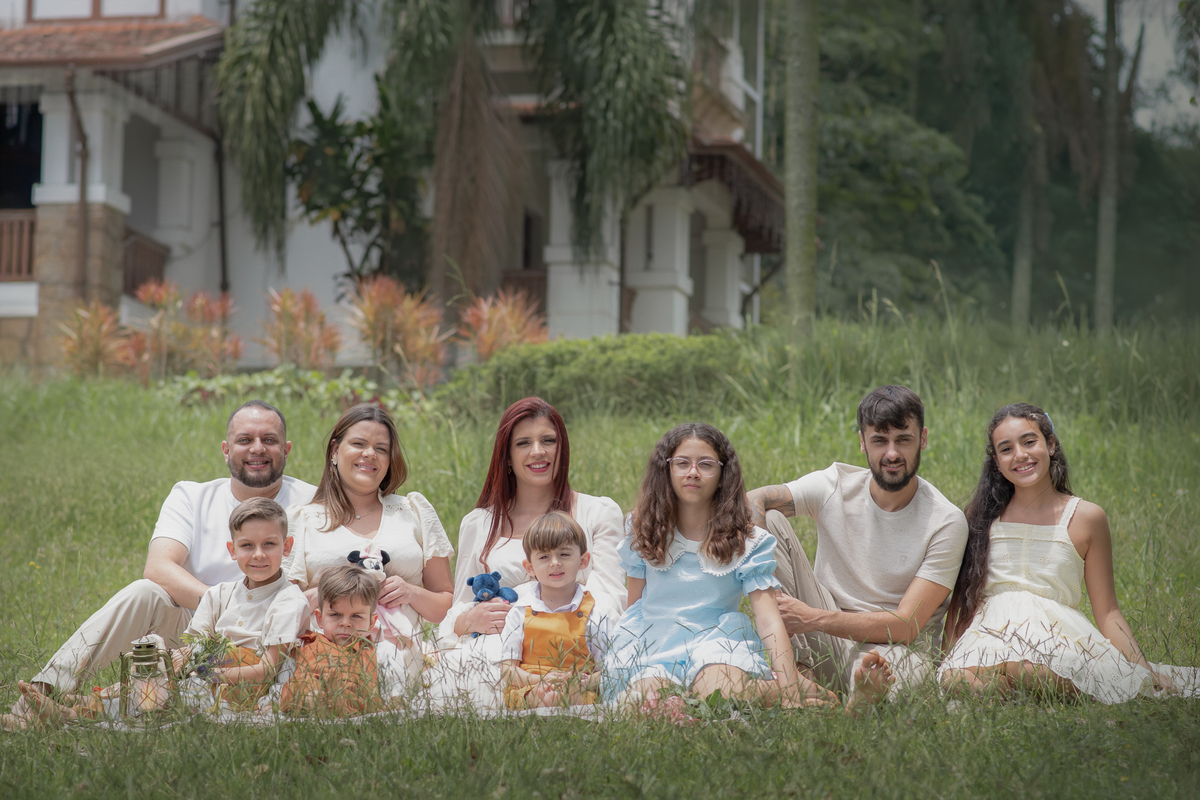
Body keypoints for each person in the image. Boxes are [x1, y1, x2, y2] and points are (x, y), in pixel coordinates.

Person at [10, 400, 316, 713]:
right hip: (197, 629)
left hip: (273, 638)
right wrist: (228, 612)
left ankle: (89, 707)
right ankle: (39, 697)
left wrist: (261, 611)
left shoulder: (312, 501)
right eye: (244, 440)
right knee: (144, 592)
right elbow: (159, 568)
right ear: (226, 449)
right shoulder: (192, 496)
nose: (257, 449)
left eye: (269, 440)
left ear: (287, 449)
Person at [938, 403, 1200, 702]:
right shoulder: (981, 517)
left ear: (1050, 444)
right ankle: (1020, 696)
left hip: (1053, 635)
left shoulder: (1087, 517)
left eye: (1029, 442)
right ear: (996, 462)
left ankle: (1038, 689)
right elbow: (962, 599)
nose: (1020, 455)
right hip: (988, 635)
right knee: (953, 679)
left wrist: (1140, 669)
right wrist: (946, 657)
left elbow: (1108, 611)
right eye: (1006, 449)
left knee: (1028, 669)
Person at [748, 385, 968, 704]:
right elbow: (754, 499)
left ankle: (859, 698)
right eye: (880, 440)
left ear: (923, 439)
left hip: (895, 646)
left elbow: (906, 626)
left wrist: (809, 618)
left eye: (903, 439)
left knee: (894, 677)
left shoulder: (946, 521)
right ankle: (797, 672)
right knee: (768, 520)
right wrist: (777, 598)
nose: (892, 453)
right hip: (824, 634)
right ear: (862, 443)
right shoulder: (835, 484)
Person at [5, 497, 310, 727]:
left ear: (287, 546)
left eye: (269, 544)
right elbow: (198, 643)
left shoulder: (288, 601)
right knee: (154, 659)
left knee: (163, 692)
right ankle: (80, 705)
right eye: (247, 546)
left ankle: (76, 714)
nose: (258, 554)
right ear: (232, 550)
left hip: (243, 685)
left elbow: (269, 670)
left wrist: (210, 673)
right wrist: (187, 659)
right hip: (209, 670)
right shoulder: (221, 594)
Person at [603, 423, 838, 710]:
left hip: (715, 643)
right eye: (682, 463)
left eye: (706, 464)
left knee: (719, 694)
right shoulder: (643, 528)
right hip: (657, 640)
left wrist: (789, 692)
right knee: (647, 702)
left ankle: (784, 688)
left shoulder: (746, 539)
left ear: (723, 473)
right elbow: (635, 606)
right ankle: (775, 689)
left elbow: (768, 619)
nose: (693, 472)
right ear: (666, 470)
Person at [442, 397, 626, 642]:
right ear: (507, 456)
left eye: (548, 440)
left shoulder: (599, 513)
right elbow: (463, 607)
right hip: (497, 654)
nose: (538, 451)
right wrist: (468, 621)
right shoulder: (478, 524)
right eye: (523, 443)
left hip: (575, 650)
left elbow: (611, 598)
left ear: (563, 448)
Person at [284, 404, 454, 667]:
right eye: (359, 443)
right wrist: (334, 592)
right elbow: (284, 608)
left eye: (381, 449)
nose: (370, 454)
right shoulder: (302, 519)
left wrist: (410, 593)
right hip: (327, 665)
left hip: (404, 661)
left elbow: (447, 606)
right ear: (335, 450)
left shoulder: (413, 511)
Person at [499, 511, 615, 709]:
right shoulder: (520, 612)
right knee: (546, 697)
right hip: (531, 686)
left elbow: (611, 668)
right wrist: (539, 681)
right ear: (530, 567)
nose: (555, 562)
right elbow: (508, 671)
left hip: (577, 687)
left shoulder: (595, 614)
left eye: (564, 554)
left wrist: (588, 682)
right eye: (544, 556)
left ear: (583, 560)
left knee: (569, 697)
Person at [279, 565, 410, 717]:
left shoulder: (384, 652)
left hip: (357, 708)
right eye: (335, 615)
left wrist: (395, 701)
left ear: (371, 622)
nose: (345, 623)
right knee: (303, 687)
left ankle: (338, 701)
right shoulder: (304, 645)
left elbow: (396, 697)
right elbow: (281, 687)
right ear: (320, 619)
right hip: (307, 701)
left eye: (356, 616)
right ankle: (316, 701)